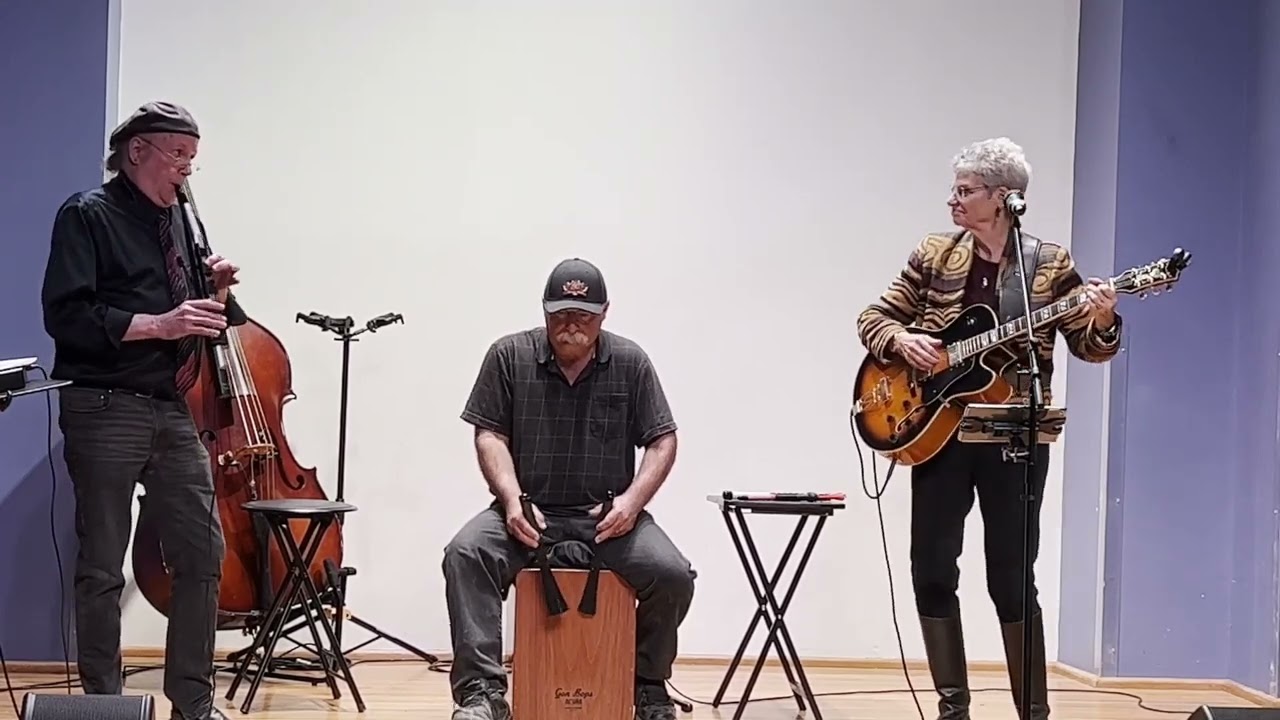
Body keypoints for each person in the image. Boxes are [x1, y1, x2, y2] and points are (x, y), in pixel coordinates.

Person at [856, 137, 1121, 720]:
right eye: (955, 189)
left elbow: (1088, 348)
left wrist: (1102, 316)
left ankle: (1033, 712)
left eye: (965, 190)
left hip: (1014, 437)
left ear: (1002, 197)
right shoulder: (934, 253)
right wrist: (901, 339)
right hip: (938, 433)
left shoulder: (1047, 264)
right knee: (931, 570)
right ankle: (953, 709)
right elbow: (873, 317)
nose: (953, 199)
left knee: (1011, 576)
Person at [41, 101, 245, 720]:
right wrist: (160, 323)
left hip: (171, 406)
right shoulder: (87, 214)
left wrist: (216, 292)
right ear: (137, 151)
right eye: (177, 155)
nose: (186, 169)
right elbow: (67, 317)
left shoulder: (180, 220)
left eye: (193, 159)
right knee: (103, 562)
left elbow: (203, 321)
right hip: (104, 404)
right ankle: (105, 705)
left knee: (202, 553)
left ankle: (193, 703)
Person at [443, 257, 696, 720]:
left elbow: (663, 440)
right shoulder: (508, 356)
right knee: (466, 553)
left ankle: (648, 686)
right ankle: (482, 694)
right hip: (527, 513)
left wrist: (631, 503)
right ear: (544, 311)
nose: (571, 324)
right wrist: (511, 500)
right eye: (560, 314)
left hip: (607, 519)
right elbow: (489, 435)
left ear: (604, 314)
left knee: (672, 574)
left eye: (583, 315)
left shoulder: (630, 362)